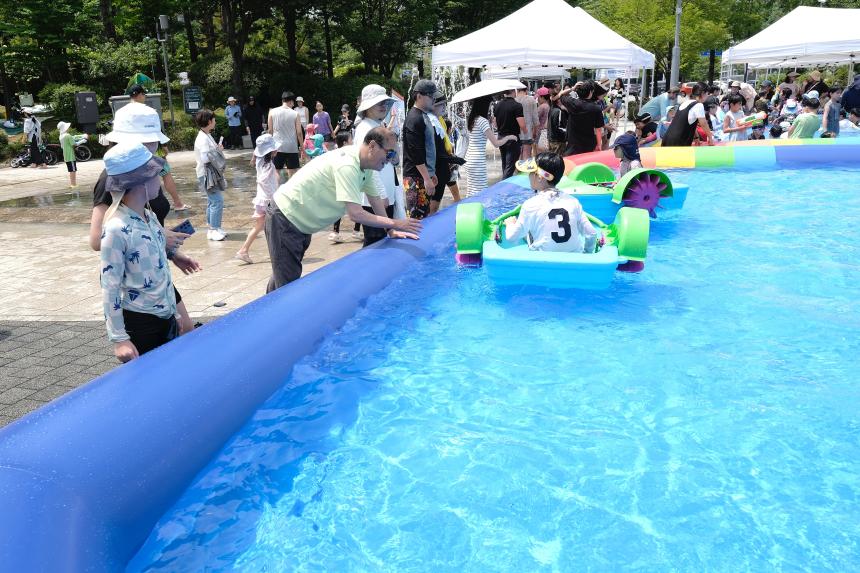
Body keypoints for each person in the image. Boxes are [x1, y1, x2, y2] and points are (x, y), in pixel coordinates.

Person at [266, 127, 422, 291]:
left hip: (299, 222)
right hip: (286, 217)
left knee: (283, 275)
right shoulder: (348, 164)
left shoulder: (365, 166)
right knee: (286, 286)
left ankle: (263, 312)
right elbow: (356, 214)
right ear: (373, 146)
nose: (391, 160)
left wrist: (390, 230)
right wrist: (397, 223)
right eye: (389, 154)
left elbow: (375, 200)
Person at [99, 143, 181, 362]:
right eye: (156, 175)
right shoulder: (116, 228)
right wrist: (119, 339)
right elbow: (110, 285)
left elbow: (158, 260)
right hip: (141, 323)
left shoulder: (148, 216)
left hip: (165, 315)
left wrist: (174, 313)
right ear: (140, 183)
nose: (160, 181)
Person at [504, 153, 598, 253]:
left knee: (527, 232)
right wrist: (587, 253)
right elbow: (591, 233)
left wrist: (510, 224)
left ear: (540, 177)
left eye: (531, 172)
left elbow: (511, 237)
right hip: (574, 260)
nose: (529, 176)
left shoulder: (530, 205)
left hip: (544, 263)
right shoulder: (573, 202)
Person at [354, 83, 403, 245]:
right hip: (374, 200)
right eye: (378, 103)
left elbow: (393, 161)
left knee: (383, 242)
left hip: (383, 197)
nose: (383, 106)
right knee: (375, 244)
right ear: (367, 107)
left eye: (385, 103)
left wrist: (394, 155)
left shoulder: (378, 125)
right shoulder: (364, 128)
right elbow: (368, 168)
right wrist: (381, 194)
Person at [235, 134, 279, 264]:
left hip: (261, 199)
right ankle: (244, 250)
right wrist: (275, 196)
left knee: (260, 227)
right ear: (271, 151)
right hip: (268, 201)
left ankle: (244, 250)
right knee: (275, 227)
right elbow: (264, 181)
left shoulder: (260, 160)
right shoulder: (268, 165)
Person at [463, 95, 518, 197]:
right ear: (484, 105)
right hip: (477, 161)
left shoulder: (473, 119)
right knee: (480, 191)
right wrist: (509, 137)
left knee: (471, 191)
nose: (490, 108)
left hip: (469, 158)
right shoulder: (482, 121)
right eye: (489, 105)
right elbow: (496, 144)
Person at [402, 79, 439, 218]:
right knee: (416, 221)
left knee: (423, 218)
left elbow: (426, 149)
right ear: (419, 96)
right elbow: (415, 152)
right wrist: (427, 178)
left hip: (421, 175)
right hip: (415, 178)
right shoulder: (414, 118)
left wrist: (430, 172)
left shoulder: (422, 116)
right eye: (431, 96)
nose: (434, 100)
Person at [194, 108, 227, 241]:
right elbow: (205, 159)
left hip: (208, 173)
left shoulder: (206, 134)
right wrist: (217, 151)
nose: (215, 121)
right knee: (217, 200)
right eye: (213, 119)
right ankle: (213, 229)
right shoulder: (203, 138)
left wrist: (216, 149)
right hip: (207, 174)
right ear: (209, 121)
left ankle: (213, 227)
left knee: (212, 200)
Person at [328, 131, 362, 243]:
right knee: (358, 205)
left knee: (339, 207)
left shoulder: (335, 153)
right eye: (351, 140)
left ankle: (335, 232)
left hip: (337, 185)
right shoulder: (348, 154)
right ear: (345, 142)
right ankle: (356, 230)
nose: (353, 142)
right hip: (348, 184)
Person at [559, 81, 604, 155]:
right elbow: (598, 129)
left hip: (573, 146)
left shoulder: (572, 103)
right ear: (590, 92)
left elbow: (561, 94)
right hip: (589, 145)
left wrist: (572, 88)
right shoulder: (596, 108)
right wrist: (599, 145)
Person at [662, 82, 714, 147]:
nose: (707, 96)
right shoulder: (698, 105)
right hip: (678, 142)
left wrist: (696, 137)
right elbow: (703, 124)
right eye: (707, 93)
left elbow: (689, 121)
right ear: (703, 93)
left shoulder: (685, 103)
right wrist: (710, 138)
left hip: (667, 139)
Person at [268, 91, 303, 182]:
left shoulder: (272, 112)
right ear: (291, 101)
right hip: (292, 147)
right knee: (292, 173)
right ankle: (292, 194)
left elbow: (270, 131)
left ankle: (275, 192)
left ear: (283, 100)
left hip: (277, 147)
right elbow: (299, 132)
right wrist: (302, 147)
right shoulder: (295, 114)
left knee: (276, 171)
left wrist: (269, 147)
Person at [494, 88, 526, 178]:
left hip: (501, 137)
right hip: (512, 138)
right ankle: (503, 188)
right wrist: (526, 132)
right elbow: (522, 124)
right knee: (510, 166)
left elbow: (495, 123)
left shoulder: (498, 105)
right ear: (513, 92)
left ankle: (504, 184)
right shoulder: (517, 106)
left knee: (505, 164)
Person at [516, 85, 539, 159]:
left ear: (518, 89)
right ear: (526, 89)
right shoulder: (531, 100)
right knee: (527, 156)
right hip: (528, 133)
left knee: (517, 157)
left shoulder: (514, 100)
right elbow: (535, 118)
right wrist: (535, 131)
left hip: (516, 133)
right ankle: (525, 170)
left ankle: (517, 170)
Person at [57, 121, 77, 189]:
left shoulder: (61, 136)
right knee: (73, 170)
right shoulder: (68, 135)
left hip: (66, 156)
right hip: (71, 156)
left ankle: (73, 184)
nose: (68, 128)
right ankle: (73, 184)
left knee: (71, 170)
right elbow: (74, 144)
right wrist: (83, 141)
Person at [535, 87, 551, 151]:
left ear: (542, 97)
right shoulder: (549, 105)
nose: (537, 99)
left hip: (541, 132)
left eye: (538, 97)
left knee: (540, 152)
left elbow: (535, 119)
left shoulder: (542, 107)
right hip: (548, 131)